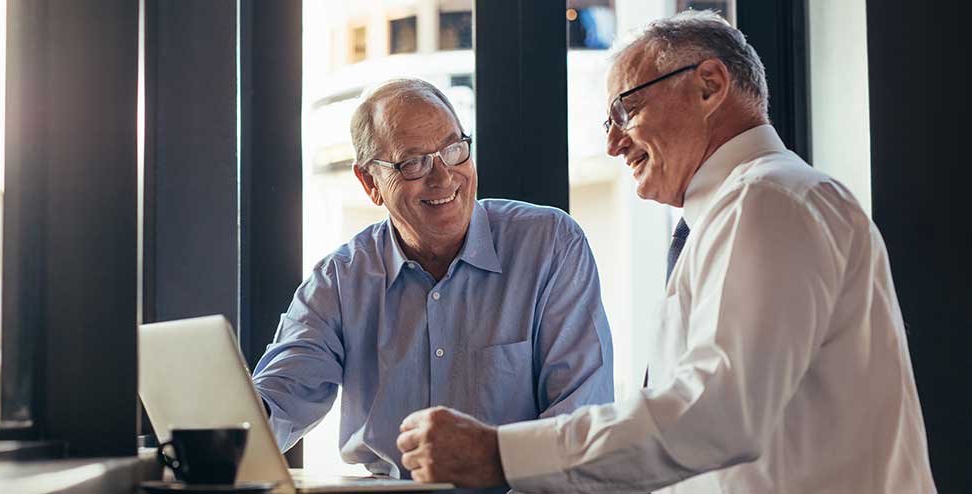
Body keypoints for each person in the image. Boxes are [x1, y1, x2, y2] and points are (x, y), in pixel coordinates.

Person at [396, 11, 935, 493]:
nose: (612, 143)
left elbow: (716, 415)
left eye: (625, 109)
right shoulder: (746, 208)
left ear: (709, 85)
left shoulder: (767, 199)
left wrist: (501, 453)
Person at [251, 78, 614, 478]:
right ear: (370, 183)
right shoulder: (340, 279)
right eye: (413, 163)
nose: (443, 178)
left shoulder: (550, 244)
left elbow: (580, 416)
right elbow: (280, 397)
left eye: (454, 150)